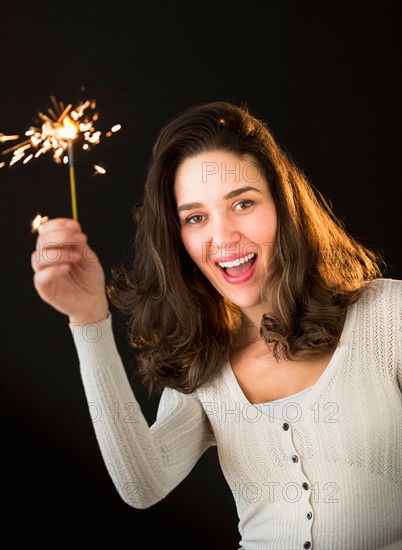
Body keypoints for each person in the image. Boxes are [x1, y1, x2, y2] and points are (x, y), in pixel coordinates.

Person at [31, 101, 401, 550]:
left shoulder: (387, 315)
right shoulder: (206, 367)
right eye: (195, 218)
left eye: (243, 203)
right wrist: (88, 319)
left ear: (285, 206)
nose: (223, 237)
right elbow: (142, 485)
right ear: (179, 239)